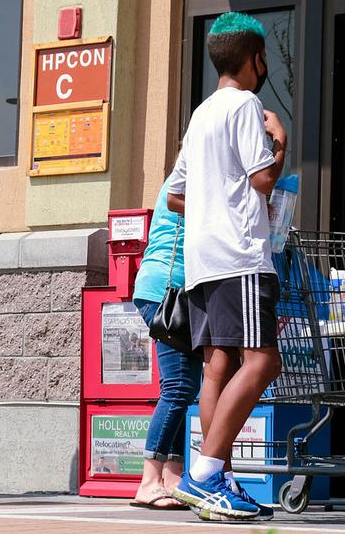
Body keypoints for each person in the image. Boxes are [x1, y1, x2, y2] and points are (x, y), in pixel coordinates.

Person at [167, 11, 285, 522]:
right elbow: (263, 181)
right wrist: (280, 139)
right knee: (261, 362)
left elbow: (175, 196)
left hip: (203, 259)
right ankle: (208, 473)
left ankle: (214, 478)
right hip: (240, 255)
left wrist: (214, 200)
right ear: (254, 59)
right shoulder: (246, 105)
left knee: (219, 364)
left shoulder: (201, 113)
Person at [130, 172, 203, 510]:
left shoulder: (191, 173)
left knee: (184, 387)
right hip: (166, 291)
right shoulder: (191, 175)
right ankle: (149, 480)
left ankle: (171, 475)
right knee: (177, 387)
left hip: (175, 292)